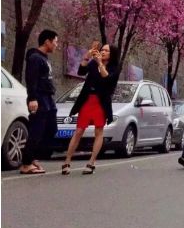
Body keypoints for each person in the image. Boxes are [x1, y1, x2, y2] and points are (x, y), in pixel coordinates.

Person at [62, 43, 121, 175]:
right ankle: (67, 161)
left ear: (112, 54)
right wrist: (86, 57)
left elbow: (107, 79)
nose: (103, 52)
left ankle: (91, 162)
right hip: (87, 100)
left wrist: (100, 63)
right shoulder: (93, 64)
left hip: (101, 103)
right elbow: (81, 72)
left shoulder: (114, 68)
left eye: (106, 51)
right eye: (102, 50)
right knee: (79, 130)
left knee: (98, 131)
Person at [20, 29, 59, 175]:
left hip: (48, 98)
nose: (56, 45)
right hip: (40, 98)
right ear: (47, 41)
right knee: (36, 131)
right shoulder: (35, 58)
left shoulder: (44, 58)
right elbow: (31, 80)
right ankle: (26, 163)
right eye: (55, 41)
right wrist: (32, 98)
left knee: (51, 129)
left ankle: (33, 157)